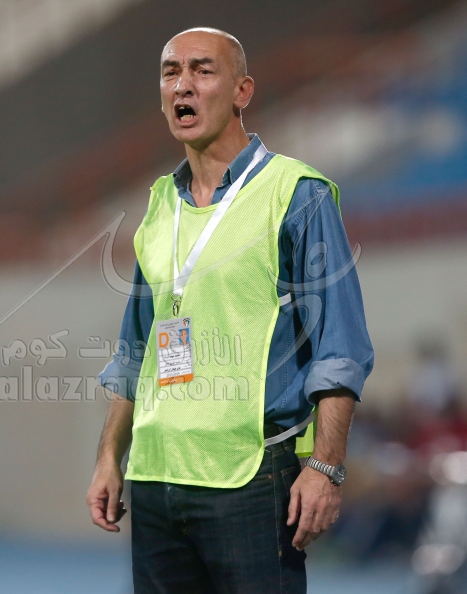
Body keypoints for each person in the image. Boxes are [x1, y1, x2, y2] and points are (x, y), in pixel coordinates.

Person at [87, 27, 374, 593]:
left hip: (250, 479)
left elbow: (340, 347)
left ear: (243, 91)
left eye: (202, 70)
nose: (183, 85)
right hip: (156, 477)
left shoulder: (297, 194)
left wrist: (326, 467)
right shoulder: (159, 204)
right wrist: (108, 458)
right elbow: (135, 352)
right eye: (171, 72)